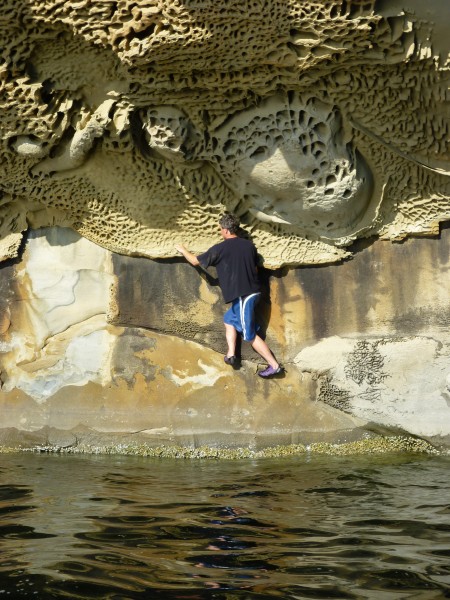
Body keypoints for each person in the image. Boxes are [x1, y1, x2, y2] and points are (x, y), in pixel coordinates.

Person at [175, 213, 283, 378]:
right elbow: (254, 269)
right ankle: (231, 355)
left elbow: (196, 261)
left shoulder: (220, 248)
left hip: (243, 296)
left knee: (249, 335)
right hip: (252, 292)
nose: (220, 232)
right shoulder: (249, 246)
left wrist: (183, 250)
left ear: (225, 230)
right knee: (229, 319)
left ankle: (274, 365)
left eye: (220, 229)